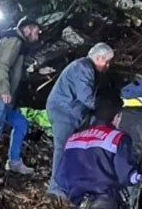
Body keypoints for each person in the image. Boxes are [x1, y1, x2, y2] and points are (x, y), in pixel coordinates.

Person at [0, 17, 42, 183]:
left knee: (20, 123)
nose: (38, 33)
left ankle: (14, 162)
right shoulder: (14, 41)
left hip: (3, 98)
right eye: (36, 29)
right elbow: (2, 66)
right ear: (27, 29)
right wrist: (5, 90)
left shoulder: (16, 42)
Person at [45, 43, 115, 197]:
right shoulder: (83, 68)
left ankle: (68, 183)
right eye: (107, 61)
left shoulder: (86, 67)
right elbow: (86, 98)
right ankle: (55, 188)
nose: (108, 65)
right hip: (63, 111)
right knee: (61, 149)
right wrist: (105, 108)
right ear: (99, 58)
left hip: (71, 112)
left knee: (71, 148)